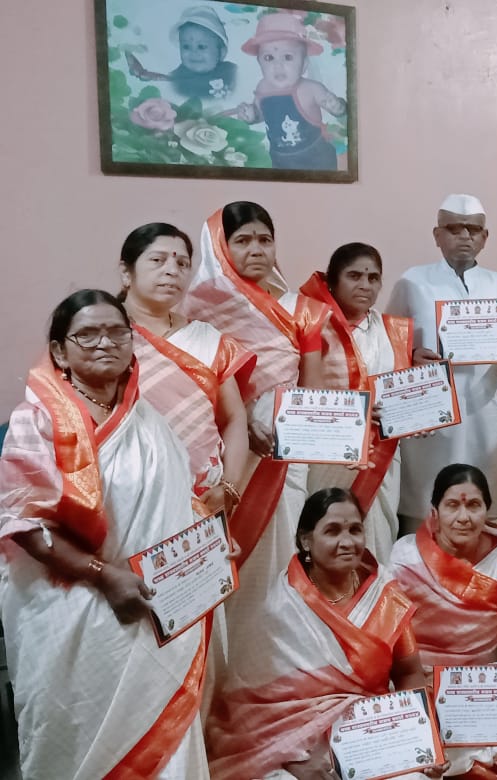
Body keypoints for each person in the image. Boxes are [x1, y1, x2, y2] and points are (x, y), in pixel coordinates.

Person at [0, 290, 209, 778]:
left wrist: (209, 542)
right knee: (76, 738)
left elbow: (180, 501)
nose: (105, 343)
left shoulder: (150, 422)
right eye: (88, 334)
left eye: (117, 332)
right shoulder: (35, 422)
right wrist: (103, 576)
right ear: (59, 351)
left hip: (153, 604)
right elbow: (24, 524)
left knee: (165, 740)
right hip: (68, 606)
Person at [206, 487, 435, 779]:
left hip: (370, 737)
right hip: (290, 752)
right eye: (332, 531)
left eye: (355, 530)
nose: (347, 542)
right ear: (306, 540)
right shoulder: (281, 607)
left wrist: (419, 738)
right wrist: (294, 758)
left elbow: (408, 672)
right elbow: (251, 711)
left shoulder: (385, 596)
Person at [180, 202, 330, 635]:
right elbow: (193, 385)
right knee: (224, 548)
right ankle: (223, 654)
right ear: (221, 247)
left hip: (286, 447)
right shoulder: (199, 308)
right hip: (223, 446)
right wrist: (244, 422)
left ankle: (273, 650)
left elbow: (313, 390)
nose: (256, 249)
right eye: (242, 240)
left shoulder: (304, 309)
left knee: (281, 545)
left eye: (265, 239)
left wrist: (311, 434)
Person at [390, 464, 497, 779]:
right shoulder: (406, 558)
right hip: (420, 678)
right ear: (434, 512)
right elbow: (391, 636)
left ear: (488, 511)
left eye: (474, 505)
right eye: (452, 505)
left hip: (484, 683)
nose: (463, 517)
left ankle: (496, 757)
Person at [386, 194, 497, 532]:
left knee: (484, 514)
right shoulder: (412, 282)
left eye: (473, 229)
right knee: (426, 514)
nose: (465, 236)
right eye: (454, 228)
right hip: (431, 420)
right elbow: (385, 343)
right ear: (437, 235)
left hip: (483, 413)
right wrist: (409, 356)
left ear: (485, 237)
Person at [118, 221, 253, 519]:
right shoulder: (106, 338)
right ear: (126, 272)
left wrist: (229, 486)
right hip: (128, 499)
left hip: (205, 499)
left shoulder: (207, 338)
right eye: (157, 260)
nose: (172, 270)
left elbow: (234, 417)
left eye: (182, 263)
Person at [300, 242, 412, 562]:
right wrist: (352, 412)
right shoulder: (313, 326)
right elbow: (302, 394)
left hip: (381, 456)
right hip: (329, 454)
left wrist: (418, 415)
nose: (365, 285)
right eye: (354, 276)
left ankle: (372, 591)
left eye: (373, 278)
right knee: (326, 527)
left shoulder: (392, 331)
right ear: (333, 281)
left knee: (379, 533)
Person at [234, 13, 346, 170]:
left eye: (287, 57)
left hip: (316, 157)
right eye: (269, 58)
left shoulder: (311, 88)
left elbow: (338, 109)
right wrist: (251, 116)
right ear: (259, 63)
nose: (278, 65)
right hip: (279, 159)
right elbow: (262, 115)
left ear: (304, 64)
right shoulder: (262, 88)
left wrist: (337, 106)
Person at [125, 5, 237, 100]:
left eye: (201, 46)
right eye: (186, 46)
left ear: (221, 52)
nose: (193, 52)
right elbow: (163, 81)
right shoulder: (178, 76)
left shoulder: (231, 72)